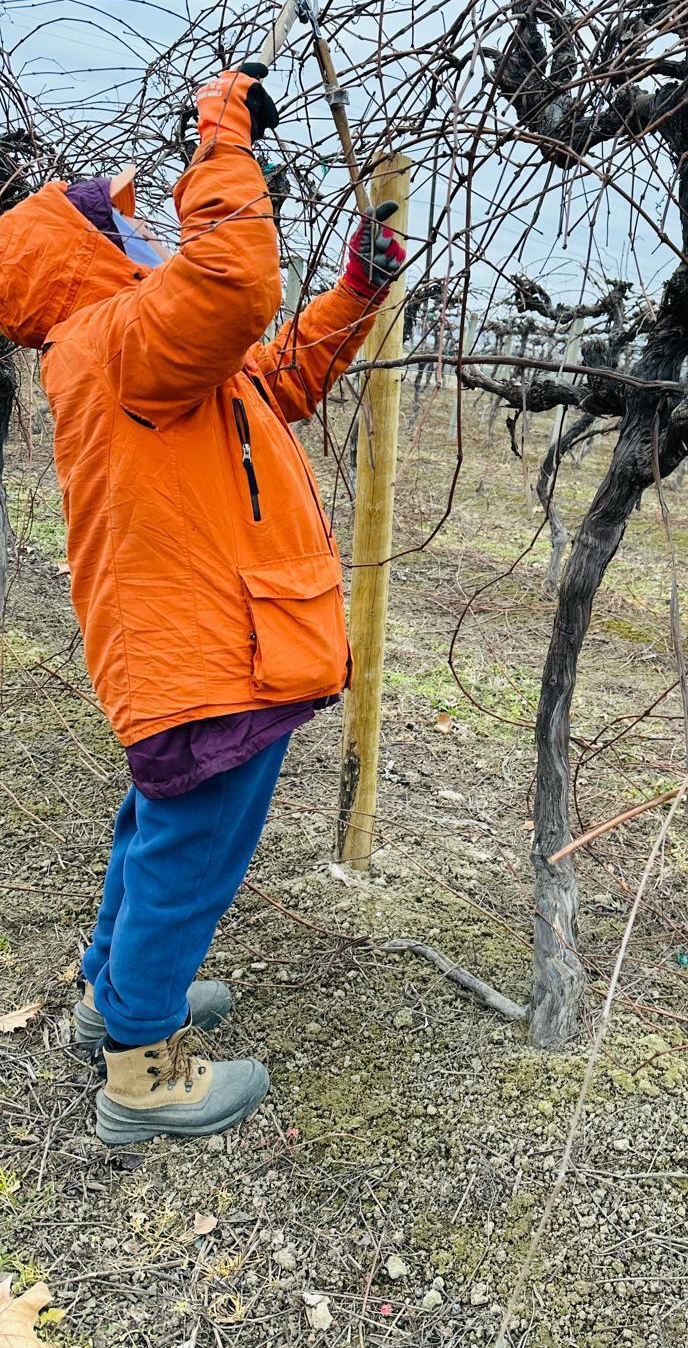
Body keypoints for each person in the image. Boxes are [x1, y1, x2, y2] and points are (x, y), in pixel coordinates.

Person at [0, 64, 405, 1144]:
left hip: (205, 652)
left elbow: (274, 376)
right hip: (208, 660)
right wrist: (221, 134)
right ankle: (143, 1070)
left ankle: (113, 997)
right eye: (125, 229)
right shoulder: (116, 341)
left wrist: (356, 296)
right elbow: (233, 281)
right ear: (86, 257)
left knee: (157, 836)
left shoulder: (146, 357)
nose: (148, 241)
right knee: (189, 858)